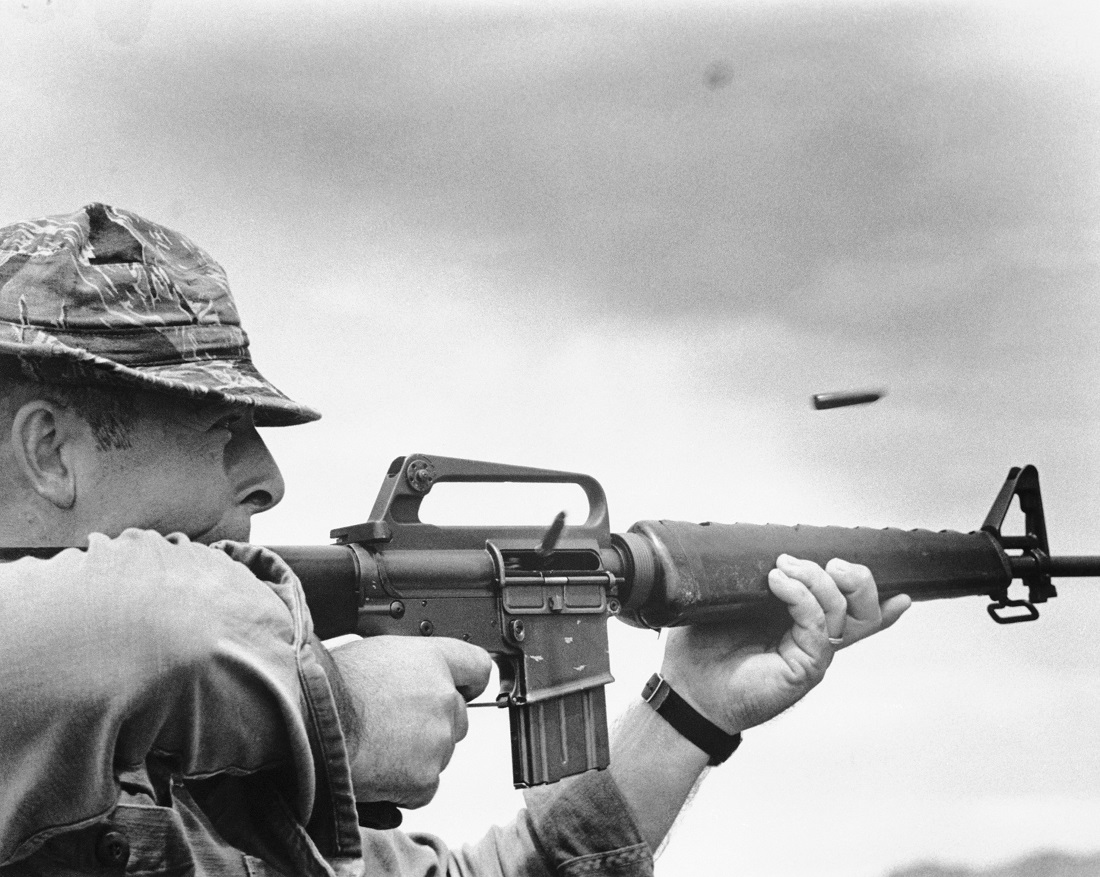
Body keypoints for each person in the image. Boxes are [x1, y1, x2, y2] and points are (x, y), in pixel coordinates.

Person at [0, 204, 911, 877]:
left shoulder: (194, 763)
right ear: (50, 452)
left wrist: (689, 708)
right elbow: (144, 624)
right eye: (217, 429)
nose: (267, 476)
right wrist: (337, 708)